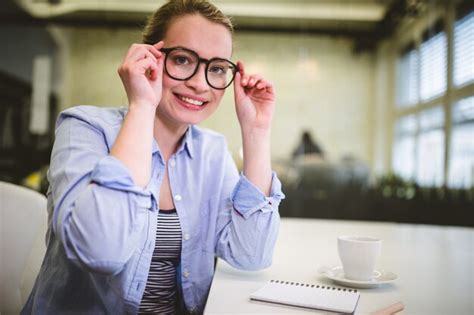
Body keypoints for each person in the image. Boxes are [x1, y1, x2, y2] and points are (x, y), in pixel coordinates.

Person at [21, 0, 284, 314]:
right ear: (149, 58)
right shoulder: (85, 128)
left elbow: (251, 254)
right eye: (184, 59)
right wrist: (142, 106)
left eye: (215, 68)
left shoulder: (211, 151)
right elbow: (101, 252)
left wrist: (256, 132)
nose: (200, 84)